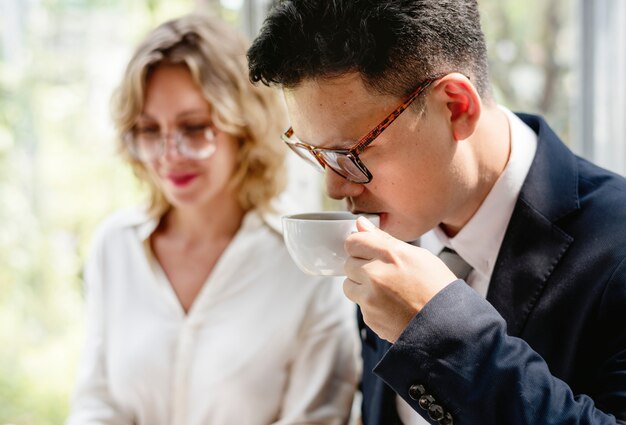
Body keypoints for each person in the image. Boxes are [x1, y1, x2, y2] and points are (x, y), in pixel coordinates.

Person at [246, 1, 626, 424]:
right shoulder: (393, 226)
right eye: (317, 153)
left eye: (350, 153)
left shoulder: (617, 248)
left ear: (456, 106)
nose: (335, 186)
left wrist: (439, 329)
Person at [66, 13, 358, 425]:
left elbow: (316, 419)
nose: (170, 153)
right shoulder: (114, 245)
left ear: (244, 126)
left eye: (193, 127)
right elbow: (95, 406)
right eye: (150, 130)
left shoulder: (308, 264)